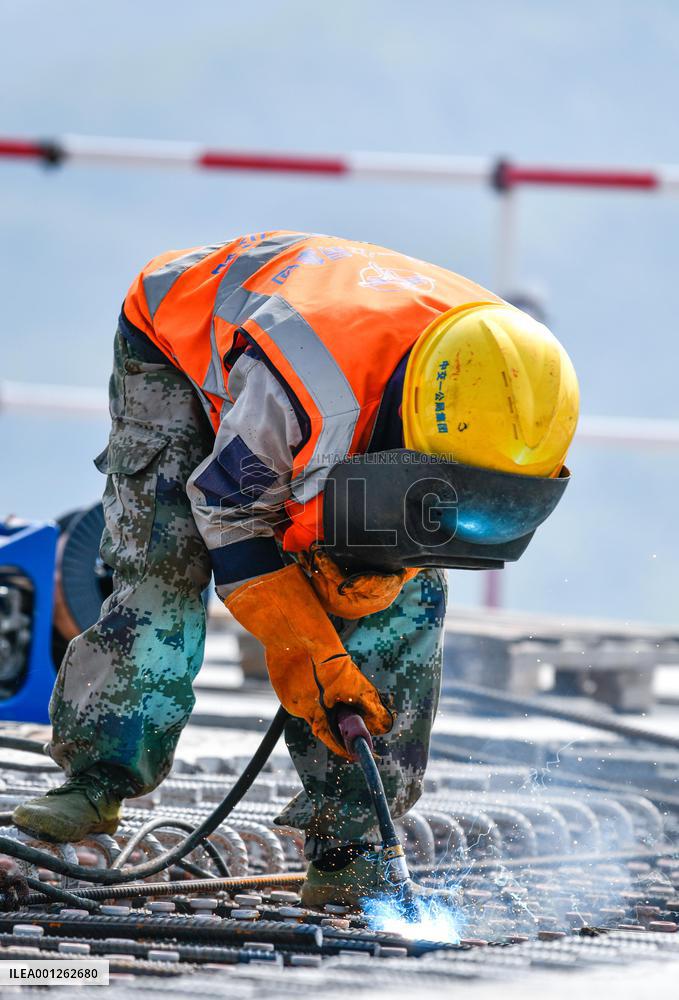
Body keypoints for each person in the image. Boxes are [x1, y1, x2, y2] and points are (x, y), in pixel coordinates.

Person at [13, 231, 579, 908]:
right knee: (165, 568)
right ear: (405, 432)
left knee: (406, 598)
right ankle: (98, 777)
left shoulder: (514, 392)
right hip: (179, 340)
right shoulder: (300, 393)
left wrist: (381, 571)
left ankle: (352, 841)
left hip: (334, 351)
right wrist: (306, 646)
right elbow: (230, 518)